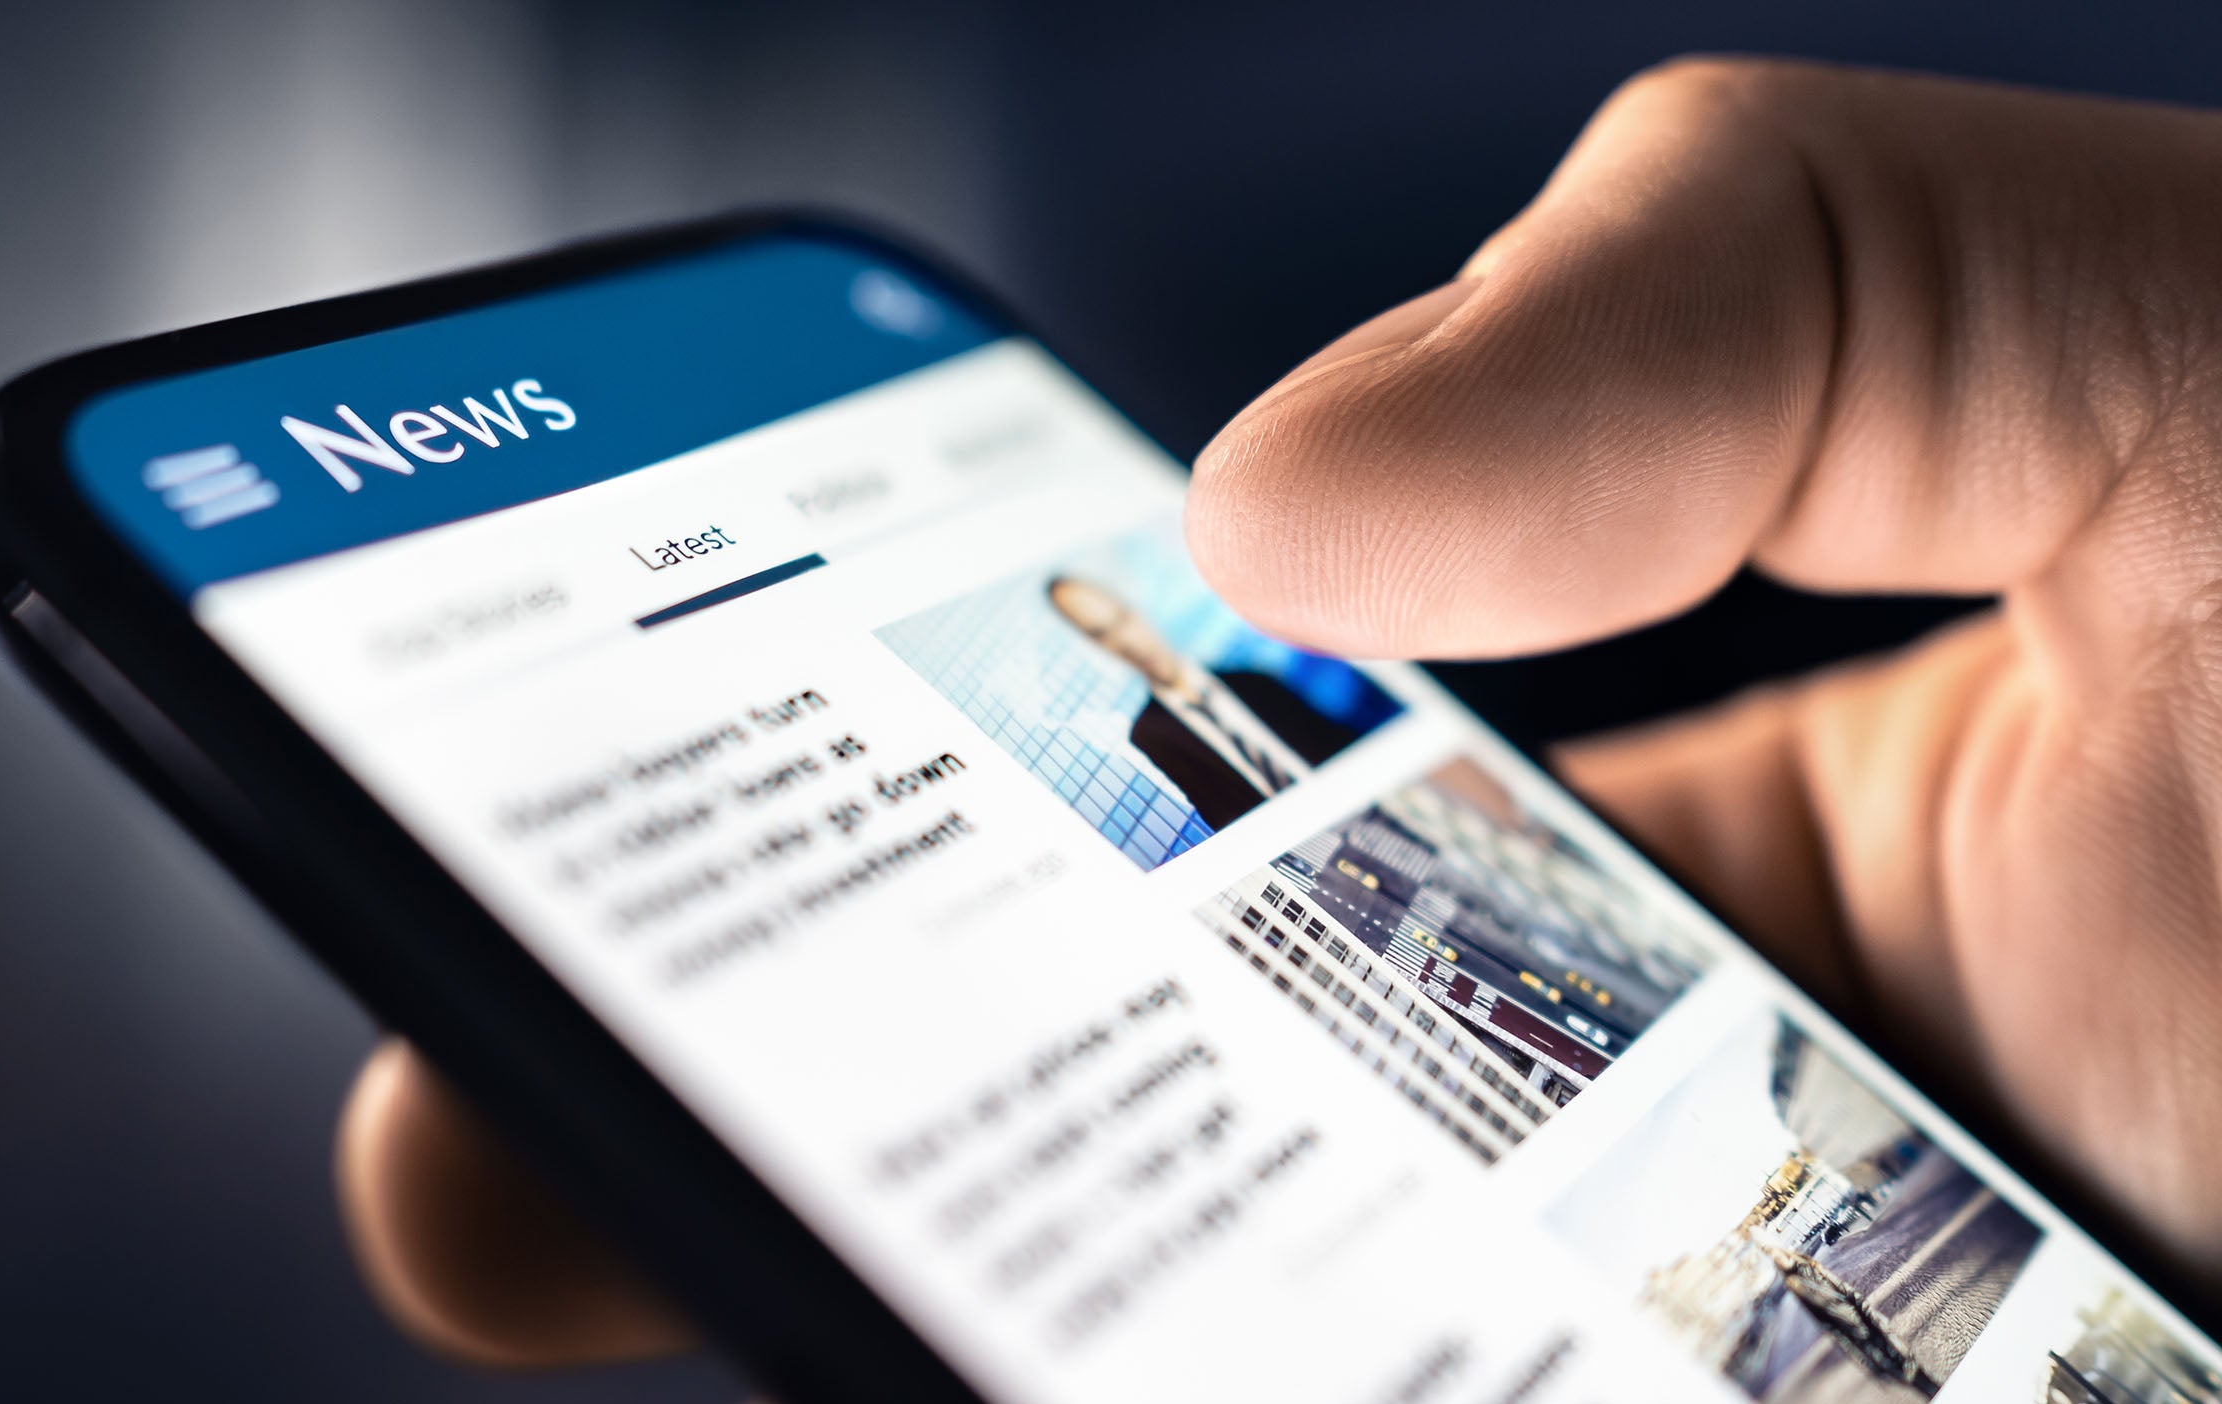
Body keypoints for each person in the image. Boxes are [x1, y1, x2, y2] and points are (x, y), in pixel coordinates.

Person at [334, 60, 2222, 1365]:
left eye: (1093, 600)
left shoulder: (1257, 671)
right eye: (1078, 613)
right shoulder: (1161, 754)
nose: (1109, 629)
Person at [1046, 574, 1367, 829]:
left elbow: (1343, 744)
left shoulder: (1254, 682)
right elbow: (1222, 818)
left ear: (1137, 612)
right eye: (1100, 633)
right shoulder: (1149, 735)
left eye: (1122, 619)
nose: (1127, 641)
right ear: (1093, 645)